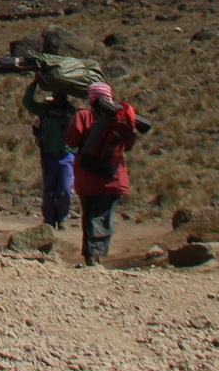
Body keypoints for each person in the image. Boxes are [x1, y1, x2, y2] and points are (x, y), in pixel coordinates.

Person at [67, 81, 141, 267]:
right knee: (101, 216)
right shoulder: (122, 118)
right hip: (112, 176)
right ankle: (94, 255)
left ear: (91, 99)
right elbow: (128, 145)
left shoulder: (83, 116)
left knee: (89, 215)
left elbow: (72, 141)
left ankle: (90, 255)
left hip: (86, 176)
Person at [24, 69, 75, 230]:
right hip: (48, 155)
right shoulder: (45, 110)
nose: (60, 99)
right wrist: (35, 83)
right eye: (58, 96)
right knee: (49, 189)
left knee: (65, 189)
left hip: (67, 155)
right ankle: (49, 221)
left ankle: (62, 217)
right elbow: (27, 102)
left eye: (62, 96)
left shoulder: (72, 112)